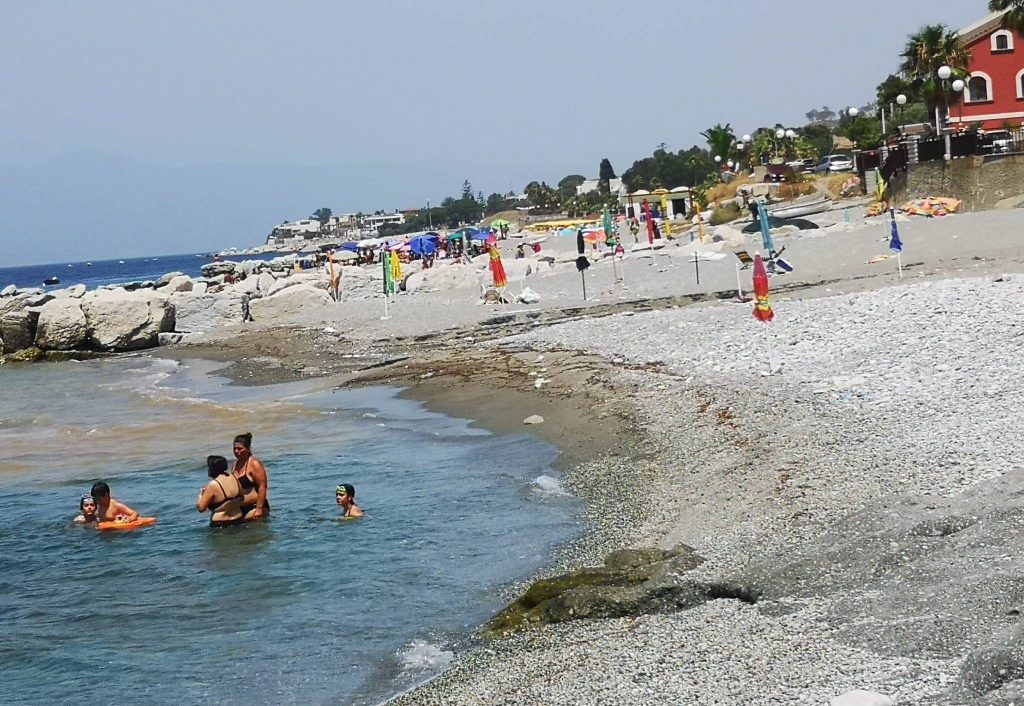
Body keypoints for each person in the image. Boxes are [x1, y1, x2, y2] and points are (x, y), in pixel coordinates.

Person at [197, 455, 245, 527]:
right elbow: (242, 498)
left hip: (221, 524)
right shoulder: (234, 477)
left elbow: (201, 508)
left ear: (212, 468)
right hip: (238, 520)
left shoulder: (213, 485)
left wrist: (201, 495)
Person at [231, 432, 270, 520]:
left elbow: (262, 486)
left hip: (255, 507)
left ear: (248, 449)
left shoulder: (254, 464)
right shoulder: (235, 465)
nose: (236, 451)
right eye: (234, 449)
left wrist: (259, 509)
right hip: (241, 508)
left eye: (240, 449)